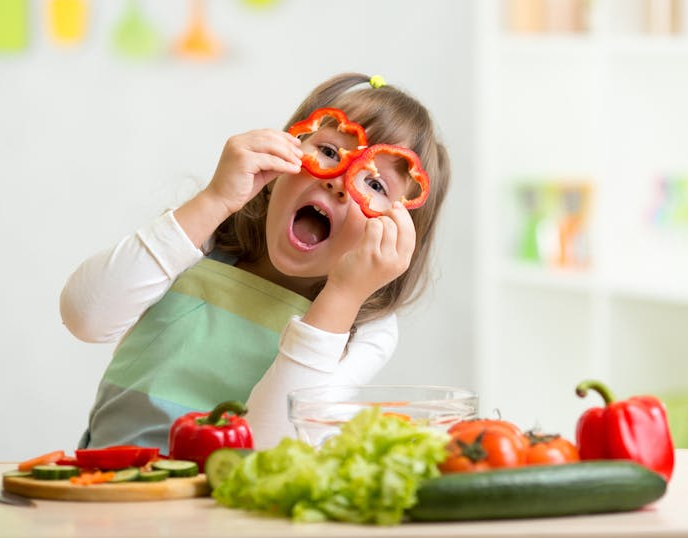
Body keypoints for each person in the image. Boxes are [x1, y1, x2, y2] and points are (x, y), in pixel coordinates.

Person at [60, 72, 451, 451]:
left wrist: (343, 296)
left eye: (376, 184)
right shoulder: (202, 238)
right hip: (104, 489)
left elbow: (270, 445)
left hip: (227, 513)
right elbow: (85, 317)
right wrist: (214, 199)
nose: (339, 181)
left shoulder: (368, 328)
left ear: (399, 232)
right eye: (329, 151)